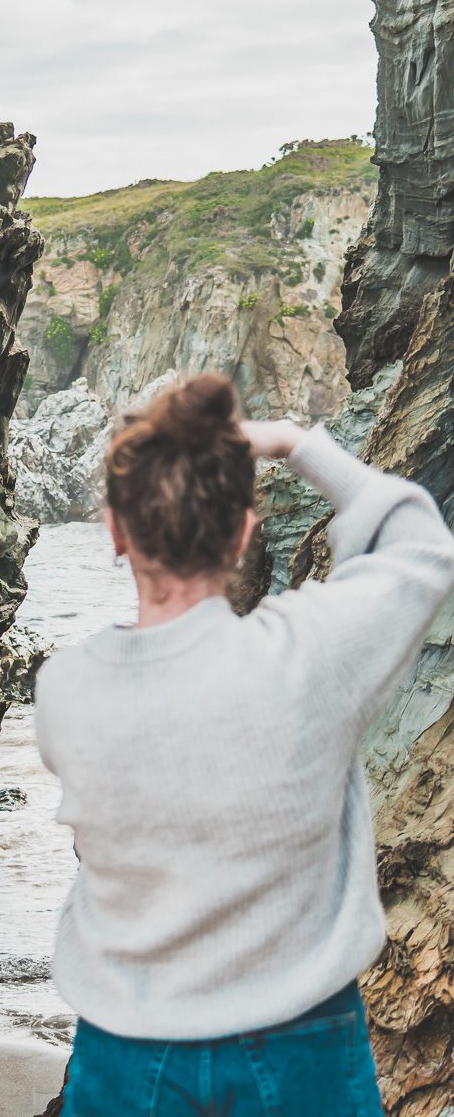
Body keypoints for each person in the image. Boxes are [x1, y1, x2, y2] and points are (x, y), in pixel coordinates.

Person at [33, 373, 454, 1117]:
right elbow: (421, 542)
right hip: (302, 1043)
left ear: (115, 531)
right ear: (243, 534)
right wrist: (292, 442)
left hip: (128, 1046)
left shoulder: (65, 689)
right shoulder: (309, 659)